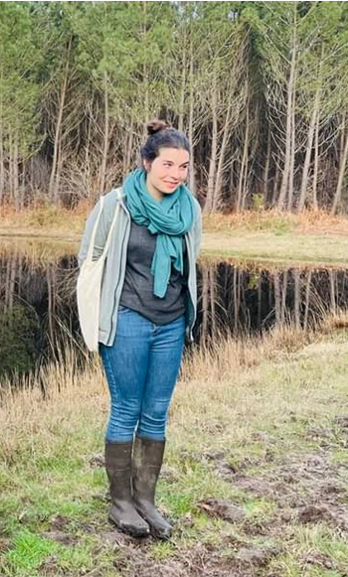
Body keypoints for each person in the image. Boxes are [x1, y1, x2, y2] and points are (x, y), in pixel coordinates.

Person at [78, 120, 204, 539]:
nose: (175, 174)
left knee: (156, 413)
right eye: (167, 164)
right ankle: (120, 503)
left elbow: (192, 262)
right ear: (147, 162)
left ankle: (145, 500)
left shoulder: (189, 209)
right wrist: (94, 320)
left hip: (171, 322)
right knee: (126, 409)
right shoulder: (115, 205)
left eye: (183, 167)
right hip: (128, 318)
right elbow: (90, 260)